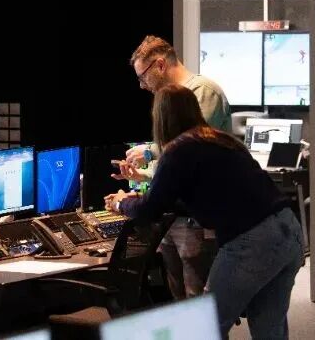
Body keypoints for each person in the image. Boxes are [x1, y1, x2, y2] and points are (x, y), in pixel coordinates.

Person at [106, 85, 303, 339]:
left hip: (252, 243)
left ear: (161, 119)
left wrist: (121, 203)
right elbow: (208, 197)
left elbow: (149, 210)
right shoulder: (222, 140)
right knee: (270, 331)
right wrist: (147, 199)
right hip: (289, 230)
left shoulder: (177, 150)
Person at [122, 35, 230, 301]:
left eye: (143, 77)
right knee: (179, 299)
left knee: (199, 299)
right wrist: (144, 174)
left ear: (160, 65)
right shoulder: (169, 100)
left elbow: (190, 143)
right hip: (173, 216)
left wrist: (149, 151)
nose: (142, 85)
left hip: (197, 218)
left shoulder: (203, 91)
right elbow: (177, 163)